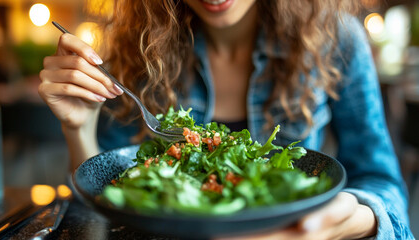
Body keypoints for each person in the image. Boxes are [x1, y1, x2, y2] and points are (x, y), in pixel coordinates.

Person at [38, 0, 414, 239]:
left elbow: (381, 181)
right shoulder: (140, 46)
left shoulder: (337, 38)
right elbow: (104, 202)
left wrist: (354, 222)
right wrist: (78, 126)